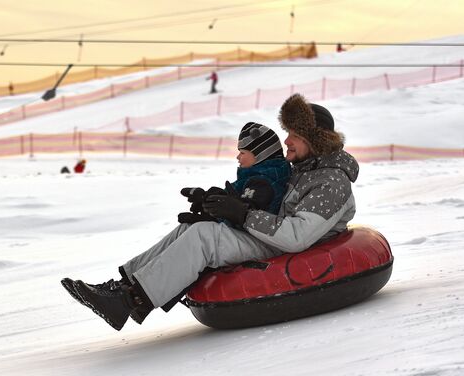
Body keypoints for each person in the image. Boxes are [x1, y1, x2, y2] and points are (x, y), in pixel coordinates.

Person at [61, 93, 359, 331]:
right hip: (271, 235)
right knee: (193, 227)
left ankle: (130, 301)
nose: (286, 141)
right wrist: (221, 206)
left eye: (294, 135)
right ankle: (121, 286)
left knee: (206, 237)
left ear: (314, 140)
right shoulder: (304, 169)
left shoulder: (330, 181)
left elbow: (297, 236)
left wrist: (242, 215)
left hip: (289, 247)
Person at [177, 122, 291, 225]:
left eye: (242, 152)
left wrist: (212, 219)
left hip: (253, 241)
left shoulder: (263, 183)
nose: (238, 157)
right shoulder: (256, 177)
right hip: (244, 235)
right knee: (185, 229)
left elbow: (244, 215)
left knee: (196, 232)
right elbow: (234, 200)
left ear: (260, 155)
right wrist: (207, 201)